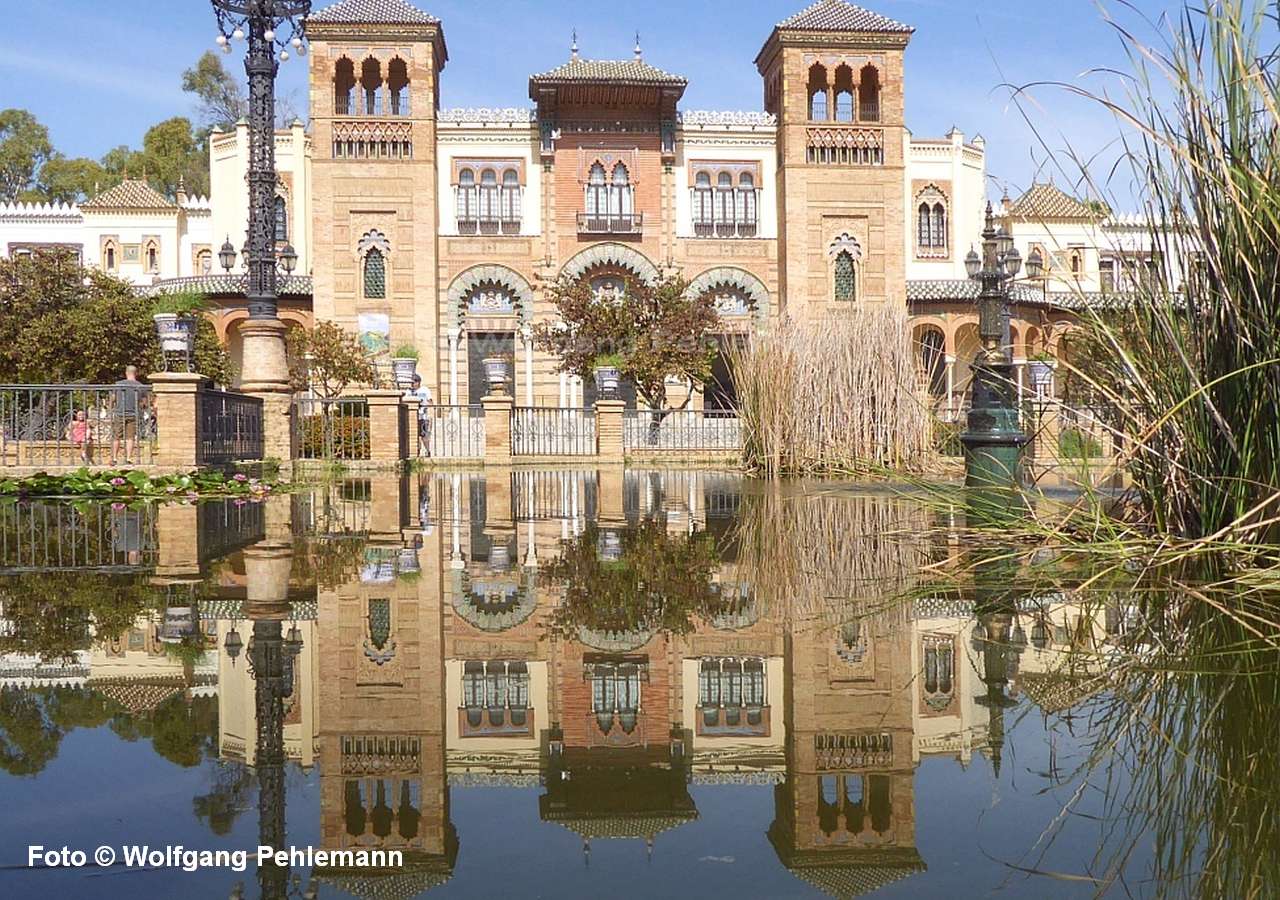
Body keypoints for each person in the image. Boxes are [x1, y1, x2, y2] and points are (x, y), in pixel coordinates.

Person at [111, 366, 149, 465]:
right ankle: (128, 458)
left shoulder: (118, 384)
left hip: (120, 413)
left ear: (126, 373)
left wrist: (112, 408)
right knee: (130, 437)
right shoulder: (141, 386)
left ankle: (114, 458)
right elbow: (144, 402)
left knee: (116, 436)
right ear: (136, 373)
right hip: (134, 413)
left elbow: (113, 399)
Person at [406, 374, 433, 457]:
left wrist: (427, 410)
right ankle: (416, 452)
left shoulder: (425, 390)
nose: (413, 384)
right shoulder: (409, 391)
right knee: (415, 435)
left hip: (423, 417)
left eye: (414, 382)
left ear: (418, 382)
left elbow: (430, 402)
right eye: (411, 382)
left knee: (424, 436)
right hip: (412, 417)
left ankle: (428, 451)